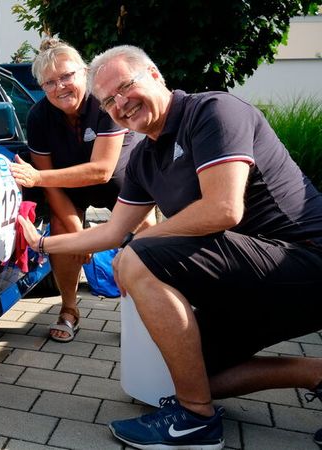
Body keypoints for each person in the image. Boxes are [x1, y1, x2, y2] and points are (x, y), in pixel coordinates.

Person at [17, 44, 322, 449]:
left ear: (156, 75)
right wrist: (41, 241)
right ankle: (316, 374)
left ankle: (196, 420)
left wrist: (138, 246)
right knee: (196, 372)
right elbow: (110, 232)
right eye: (109, 100)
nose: (120, 104)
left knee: (142, 256)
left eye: (125, 86)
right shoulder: (145, 157)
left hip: (303, 261)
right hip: (255, 280)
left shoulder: (213, 111)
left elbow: (224, 208)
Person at [10, 37, 151, 343]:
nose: (59, 87)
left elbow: (102, 170)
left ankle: (146, 310)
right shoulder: (38, 117)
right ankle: (69, 309)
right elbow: (48, 181)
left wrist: (90, 236)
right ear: (41, 87)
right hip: (68, 188)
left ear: (84, 72)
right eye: (49, 82)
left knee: (147, 235)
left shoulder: (105, 103)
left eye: (66, 76)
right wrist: (78, 233)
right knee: (63, 233)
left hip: (121, 181)